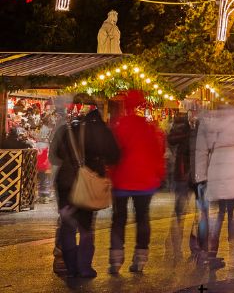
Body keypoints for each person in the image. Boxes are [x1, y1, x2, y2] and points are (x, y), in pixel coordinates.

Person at [50, 94, 119, 279]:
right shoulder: (101, 130)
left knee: (67, 224)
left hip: (65, 183)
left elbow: (53, 156)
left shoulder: (65, 130)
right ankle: (85, 267)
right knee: (86, 226)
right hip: (88, 183)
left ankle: (70, 266)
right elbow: (114, 156)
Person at [108, 89, 166, 274]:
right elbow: (157, 152)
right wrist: (159, 174)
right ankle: (140, 258)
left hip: (122, 180)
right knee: (142, 218)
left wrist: (110, 173)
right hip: (145, 180)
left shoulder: (120, 126)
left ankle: (116, 259)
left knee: (119, 219)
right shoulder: (148, 127)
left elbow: (113, 153)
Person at [194, 106, 234, 268]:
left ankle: (211, 252)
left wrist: (200, 176)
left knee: (217, 214)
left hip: (217, 171)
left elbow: (201, 150)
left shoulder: (207, 121)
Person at [166, 110, 202, 261]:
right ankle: (175, 247)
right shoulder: (186, 131)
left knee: (197, 214)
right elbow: (172, 140)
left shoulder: (200, 130)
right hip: (187, 175)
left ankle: (193, 247)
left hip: (195, 175)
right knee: (182, 213)